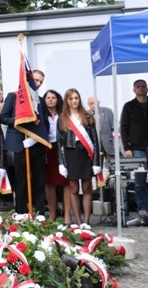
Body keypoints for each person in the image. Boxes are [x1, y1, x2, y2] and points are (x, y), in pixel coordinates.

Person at [1, 70, 48, 214]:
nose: (37, 83)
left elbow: (45, 123)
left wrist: (35, 137)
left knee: (39, 182)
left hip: (36, 145)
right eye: (35, 80)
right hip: (19, 145)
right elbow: (3, 118)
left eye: (40, 81)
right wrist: (19, 122)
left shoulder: (40, 101)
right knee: (21, 183)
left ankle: (39, 214)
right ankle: (21, 214)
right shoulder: (13, 96)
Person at [57, 88, 101, 225]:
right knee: (74, 189)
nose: (74, 101)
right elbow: (60, 143)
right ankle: (77, 221)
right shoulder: (63, 118)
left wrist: (96, 162)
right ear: (67, 101)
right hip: (71, 154)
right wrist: (61, 163)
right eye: (71, 98)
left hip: (86, 154)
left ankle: (86, 222)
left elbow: (95, 140)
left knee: (87, 189)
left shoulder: (87, 116)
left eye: (76, 98)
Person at [120, 79, 148, 220]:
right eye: (138, 86)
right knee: (139, 181)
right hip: (137, 149)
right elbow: (123, 128)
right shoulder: (129, 106)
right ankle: (143, 209)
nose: (141, 88)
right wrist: (127, 148)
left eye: (144, 86)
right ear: (134, 90)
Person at [43, 90, 71, 223]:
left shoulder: (64, 114)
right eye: (48, 97)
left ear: (57, 99)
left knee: (66, 183)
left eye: (53, 97)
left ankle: (67, 215)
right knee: (49, 183)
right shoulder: (42, 115)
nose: (50, 100)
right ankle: (52, 214)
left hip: (62, 148)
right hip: (47, 149)